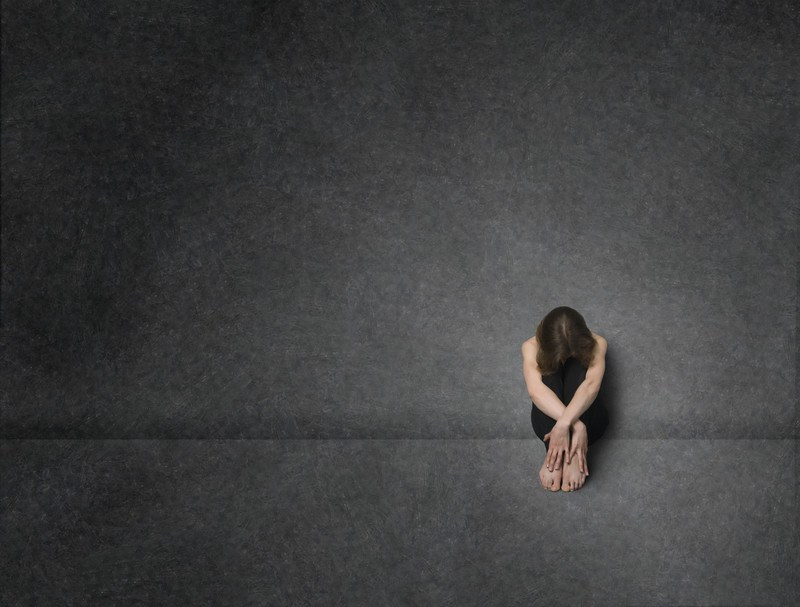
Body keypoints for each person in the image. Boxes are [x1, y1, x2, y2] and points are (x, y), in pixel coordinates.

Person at [521, 306, 610, 492]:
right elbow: (535, 391)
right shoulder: (530, 346)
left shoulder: (598, 342)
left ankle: (574, 455)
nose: (565, 358)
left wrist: (564, 424)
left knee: (579, 369)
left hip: (593, 424)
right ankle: (555, 454)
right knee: (548, 376)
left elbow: (591, 386)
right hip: (550, 428)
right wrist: (575, 426)